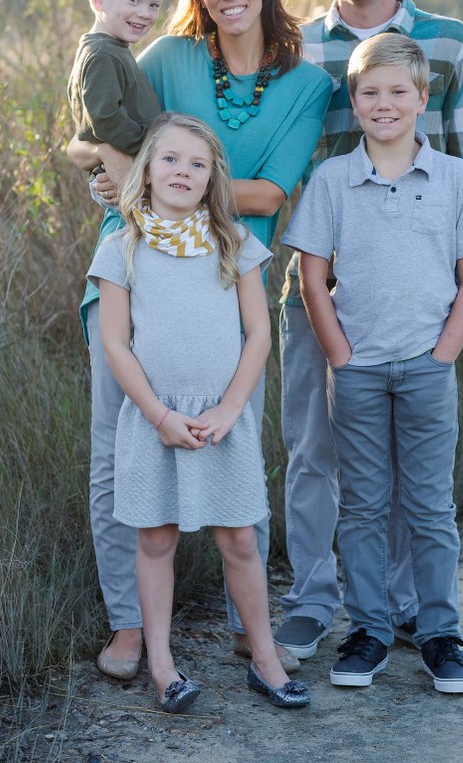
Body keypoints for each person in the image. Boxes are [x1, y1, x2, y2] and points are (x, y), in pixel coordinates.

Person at [67, 0, 332, 680]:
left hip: (226, 288)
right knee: (117, 453)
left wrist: (156, 179)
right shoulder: (169, 55)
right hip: (132, 273)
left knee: (235, 443)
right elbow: (91, 129)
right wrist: (113, 172)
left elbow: (274, 191)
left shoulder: (306, 85)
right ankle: (128, 622)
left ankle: (254, 628)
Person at [275, 0, 463, 662]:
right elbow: (271, 155)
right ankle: (312, 598)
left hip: (418, 289)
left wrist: (456, 312)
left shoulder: (449, 42)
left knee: (407, 466)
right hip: (321, 285)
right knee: (313, 449)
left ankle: (405, 608)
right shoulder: (297, 48)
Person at [88, 112, 310, 712]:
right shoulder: (122, 248)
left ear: (212, 177)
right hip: (154, 420)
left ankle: (263, 659)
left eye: (197, 163)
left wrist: (232, 408)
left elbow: (258, 332)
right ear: (147, 170)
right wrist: (160, 416)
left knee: (239, 538)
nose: (182, 171)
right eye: (170, 160)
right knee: (156, 540)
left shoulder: (235, 242)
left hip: (221, 421)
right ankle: (163, 666)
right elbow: (115, 344)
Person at [67, 0, 169, 173]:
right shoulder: (103, 55)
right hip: (123, 169)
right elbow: (105, 119)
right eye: (134, 0)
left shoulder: (111, 47)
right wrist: (152, 147)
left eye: (154, 4)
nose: (145, 13)